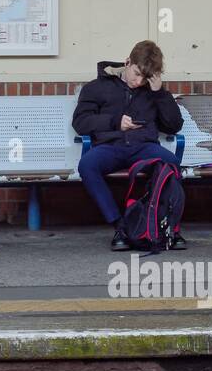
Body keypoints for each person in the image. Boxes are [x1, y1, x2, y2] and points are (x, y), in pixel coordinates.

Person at [72, 40, 185, 251]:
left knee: (171, 162)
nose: (139, 81)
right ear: (127, 62)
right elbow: (80, 123)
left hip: (143, 147)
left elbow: (173, 126)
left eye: (145, 77)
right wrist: (115, 122)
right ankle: (120, 227)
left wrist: (160, 93)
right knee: (87, 165)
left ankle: (168, 227)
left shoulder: (153, 91)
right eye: (136, 73)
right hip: (110, 146)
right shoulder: (96, 88)